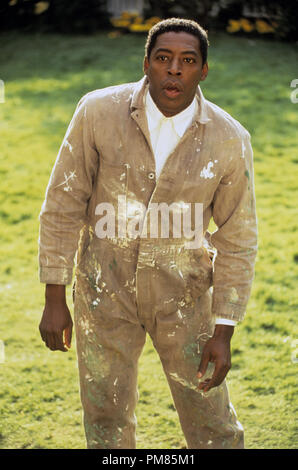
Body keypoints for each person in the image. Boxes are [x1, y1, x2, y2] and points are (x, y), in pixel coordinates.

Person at [38, 18, 257, 449]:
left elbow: (238, 237)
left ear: (203, 71)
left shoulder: (230, 139)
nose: (174, 69)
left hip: (186, 295)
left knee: (212, 422)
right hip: (104, 290)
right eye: (163, 58)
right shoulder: (97, 112)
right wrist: (54, 297)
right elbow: (62, 204)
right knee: (105, 415)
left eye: (188, 61)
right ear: (146, 64)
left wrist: (224, 328)